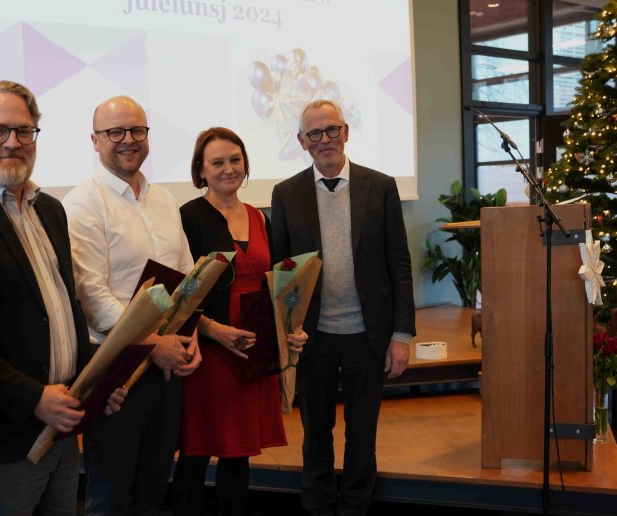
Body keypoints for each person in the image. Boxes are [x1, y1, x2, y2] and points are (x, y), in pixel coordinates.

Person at [0, 81, 124, 516]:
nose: (12, 142)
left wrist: (96, 380)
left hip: (63, 429)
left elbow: (63, 312)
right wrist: (33, 397)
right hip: (2, 438)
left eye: (24, 131)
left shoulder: (49, 209)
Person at [270, 100, 416, 516]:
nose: (324, 140)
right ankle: (316, 504)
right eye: (314, 133)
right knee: (315, 429)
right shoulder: (285, 194)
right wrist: (286, 331)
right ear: (302, 142)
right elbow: (280, 271)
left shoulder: (381, 186)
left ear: (346, 132)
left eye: (331, 130)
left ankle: (355, 504)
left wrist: (401, 335)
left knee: (362, 431)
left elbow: (399, 264)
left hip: (367, 335)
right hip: (312, 336)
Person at [63, 96, 200, 515]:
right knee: (111, 497)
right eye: (115, 132)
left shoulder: (163, 199)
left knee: (152, 490)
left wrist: (188, 336)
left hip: (166, 368)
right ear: (94, 140)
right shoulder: (83, 203)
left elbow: (187, 276)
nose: (128, 140)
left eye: (137, 130)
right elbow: (92, 294)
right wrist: (152, 342)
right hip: (117, 371)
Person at [172, 127, 308, 515]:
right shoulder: (189, 216)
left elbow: (275, 284)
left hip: (252, 345)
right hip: (208, 348)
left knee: (239, 453)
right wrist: (215, 333)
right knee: (196, 452)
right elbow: (182, 291)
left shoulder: (258, 216)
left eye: (235, 159)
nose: (228, 168)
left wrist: (289, 329)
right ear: (201, 169)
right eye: (217, 162)